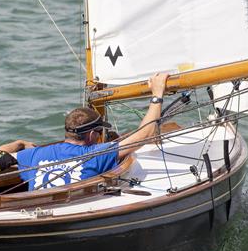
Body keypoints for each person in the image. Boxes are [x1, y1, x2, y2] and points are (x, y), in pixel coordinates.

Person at [14, 72, 170, 191]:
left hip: (36, 210)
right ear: (91, 134)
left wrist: (19, 143)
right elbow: (145, 134)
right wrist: (157, 95)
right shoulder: (98, 154)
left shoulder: (35, 154)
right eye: (99, 131)